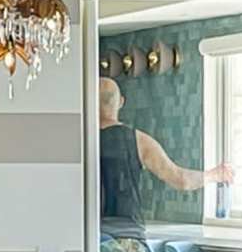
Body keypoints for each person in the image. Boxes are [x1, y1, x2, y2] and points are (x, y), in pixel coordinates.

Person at [97, 72, 227, 234]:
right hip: (127, 237)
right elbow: (181, 180)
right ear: (121, 102)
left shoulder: (80, 140)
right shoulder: (138, 140)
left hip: (87, 237)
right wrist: (214, 175)